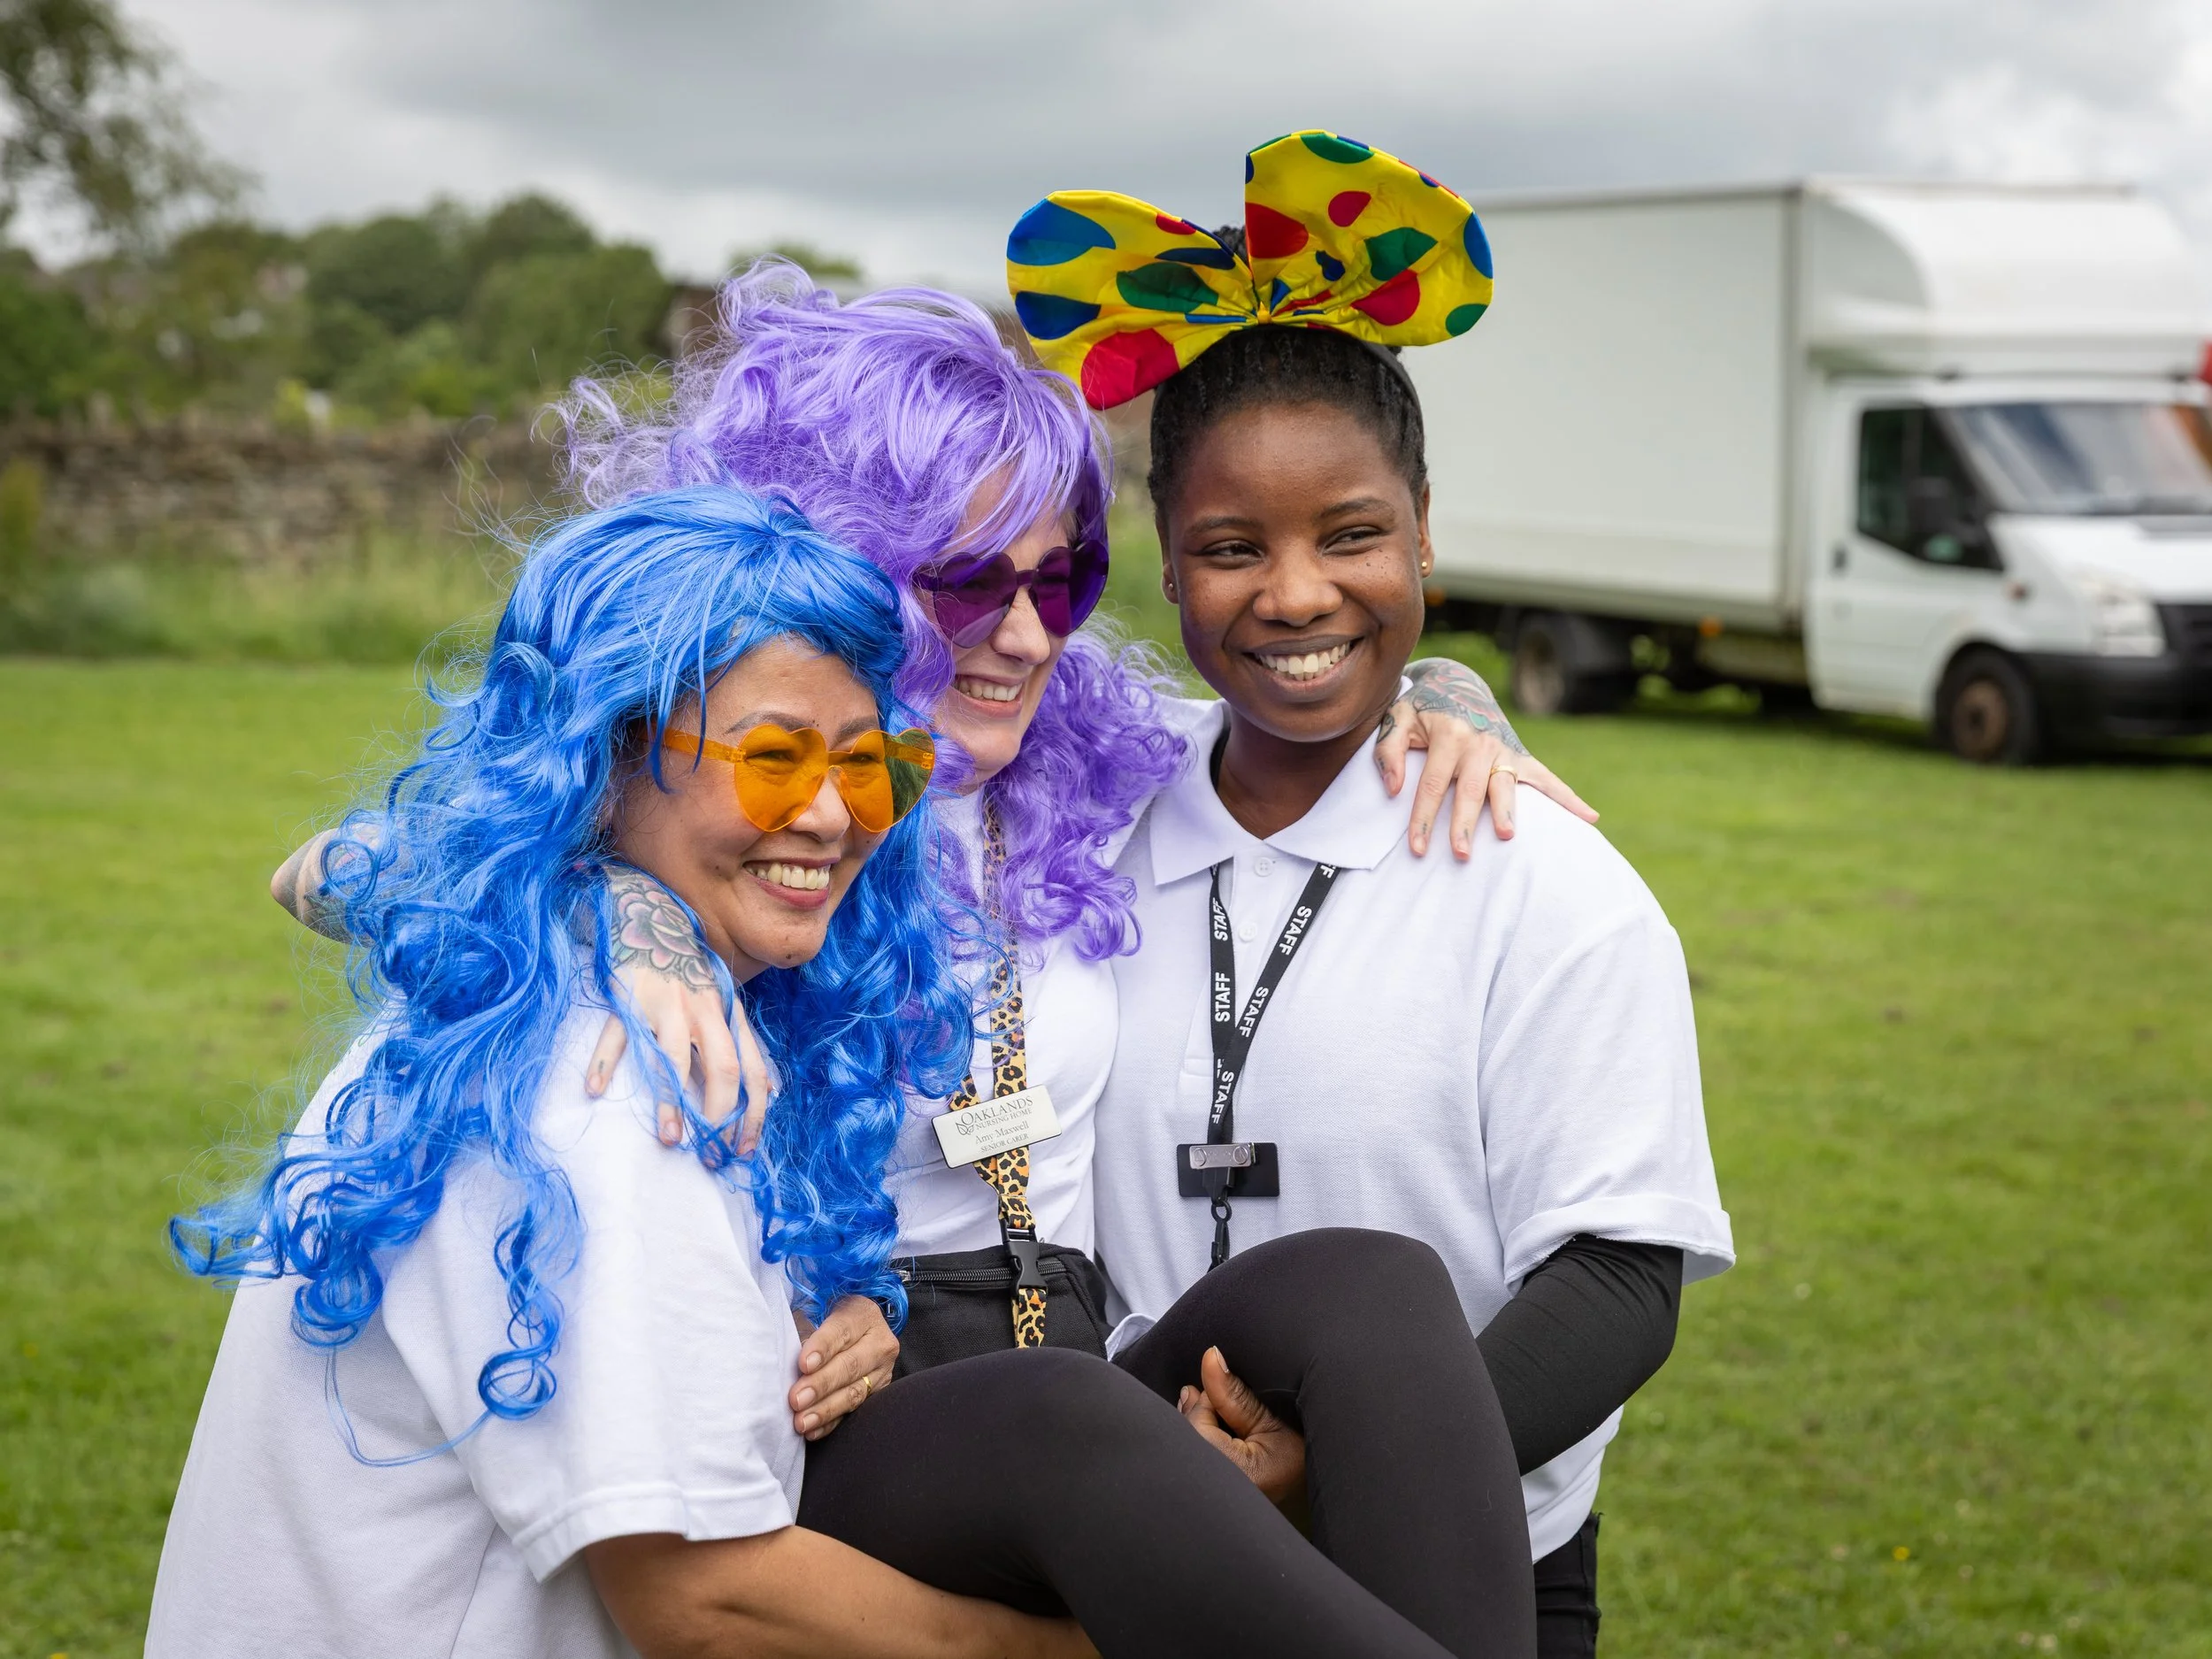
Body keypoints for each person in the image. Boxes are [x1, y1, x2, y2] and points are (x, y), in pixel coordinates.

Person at [157, 486, 1538, 1659]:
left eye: (866, 763)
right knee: (1061, 1421)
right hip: (692, 1572)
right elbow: (700, 1604)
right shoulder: (614, 1073)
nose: (829, 813)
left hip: (896, 1403)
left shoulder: (706, 985)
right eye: (771, 763)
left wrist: (1446, 690)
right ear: (602, 761)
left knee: (1358, 1286)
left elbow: (1291, 698)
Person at [273, 260, 1590, 1433]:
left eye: (1061, 578)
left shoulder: (1098, 754)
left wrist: (1447, 696)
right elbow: (327, 867)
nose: (1025, 633)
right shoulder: (729, 799)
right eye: (967, 582)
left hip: (1084, 1372)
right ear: (846, 566)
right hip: (852, 1401)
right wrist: (615, 901)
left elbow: (1304, 683)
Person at [1005, 131, 1739, 1659]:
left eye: (1351, 534)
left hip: (1458, 1564)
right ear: (1166, 559)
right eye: (1230, 547)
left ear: (1423, 535)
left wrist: (1335, 1474)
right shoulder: (1078, 845)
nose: (1294, 593)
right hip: (1126, 1555)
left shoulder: (1539, 878)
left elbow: (1618, 1279)